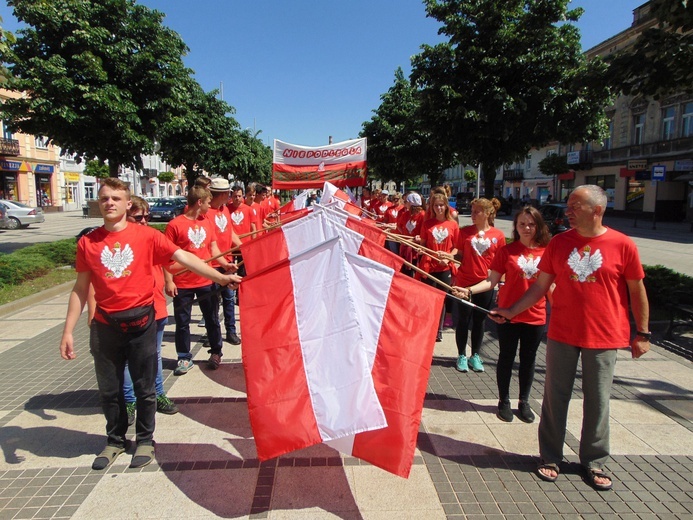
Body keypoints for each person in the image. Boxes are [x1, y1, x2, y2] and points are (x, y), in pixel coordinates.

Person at [59, 178, 240, 470]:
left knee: (145, 388)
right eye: (104, 198)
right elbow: (80, 289)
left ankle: (145, 439)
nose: (109, 203)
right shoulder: (87, 242)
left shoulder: (148, 237)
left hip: (141, 322)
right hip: (106, 326)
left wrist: (220, 277)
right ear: (99, 203)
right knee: (110, 390)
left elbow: (184, 257)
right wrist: (67, 331)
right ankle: (115, 440)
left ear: (127, 203)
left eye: (116, 198)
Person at [491, 185, 650, 491]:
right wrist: (510, 311)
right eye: (569, 206)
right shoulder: (560, 243)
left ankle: (594, 460)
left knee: (598, 400)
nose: (568, 211)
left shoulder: (622, 244)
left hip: (605, 336)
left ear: (597, 210)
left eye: (576, 206)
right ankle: (550, 456)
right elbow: (539, 288)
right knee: (555, 397)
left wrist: (642, 332)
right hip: (563, 333)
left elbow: (636, 290)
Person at [454, 206, 551, 422]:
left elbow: (551, 288)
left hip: (535, 316)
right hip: (507, 314)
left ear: (539, 226)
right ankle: (504, 400)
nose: (526, 228)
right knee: (506, 357)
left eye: (531, 224)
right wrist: (468, 290)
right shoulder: (507, 251)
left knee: (528, 360)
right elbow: (491, 281)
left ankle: (524, 401)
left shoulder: (547, 251)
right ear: (515, 226)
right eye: (522, 224)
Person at [165, 185, 237, 374]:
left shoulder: (207, 222)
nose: (209, 206)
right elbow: (166, 258)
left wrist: (224, 265)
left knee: (212, 318)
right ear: (199, 202)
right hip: (183, 283)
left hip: (205, 280)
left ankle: (216, 351)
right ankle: (183, 357)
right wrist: (169, 280)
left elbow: (213, 250)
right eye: (206, 202)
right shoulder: (175, 225)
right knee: (182, 322)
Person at [121, 197, 179, 424]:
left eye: (147, 216)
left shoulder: (153, 238)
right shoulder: (119, 243)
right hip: (131, 310)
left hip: (156, 305)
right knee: (128, 358)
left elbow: (170, 261)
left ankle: (158, 395)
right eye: (139, 217)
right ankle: (129, 401)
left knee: (154, 355)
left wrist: (170, 280)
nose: (145, 221)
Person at [452, 198, 505, 373]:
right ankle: (461, 354)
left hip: (486, 284)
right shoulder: (465, 232)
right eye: (472, 211)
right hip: (464, 282)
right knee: (463, 320)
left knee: (479, 321)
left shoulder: (498, 236)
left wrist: (501, 284)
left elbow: (501, 263)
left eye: (477, 212)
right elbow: (458, 255)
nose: (473, 215)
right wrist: (447, 257)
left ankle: (475, 355)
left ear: (488, 213)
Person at [416, 192, 459, 342]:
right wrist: (421, 249)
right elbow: (423, 244)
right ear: (432, 207)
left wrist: (448, 258)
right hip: (429, 265)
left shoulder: (453, 224)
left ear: (446, 206)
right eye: (436, 205)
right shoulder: (427, 224)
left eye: (441, 205)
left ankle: (438, 331)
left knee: (442, 299)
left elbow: (456, 248)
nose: (439, 208)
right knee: (429, 298)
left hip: (444, 267)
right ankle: (428, 327)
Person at [207, 178, 242, 345]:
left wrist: (245, 248)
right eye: (227, 193)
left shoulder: (225, 210)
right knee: (212, 303)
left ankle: (231, 331)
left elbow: (231, 233)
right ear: (221, 194)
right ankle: (213, 334)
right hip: (211, 264)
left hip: (228, 262)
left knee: (228, 299)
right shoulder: (205, 212)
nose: (229, 196)